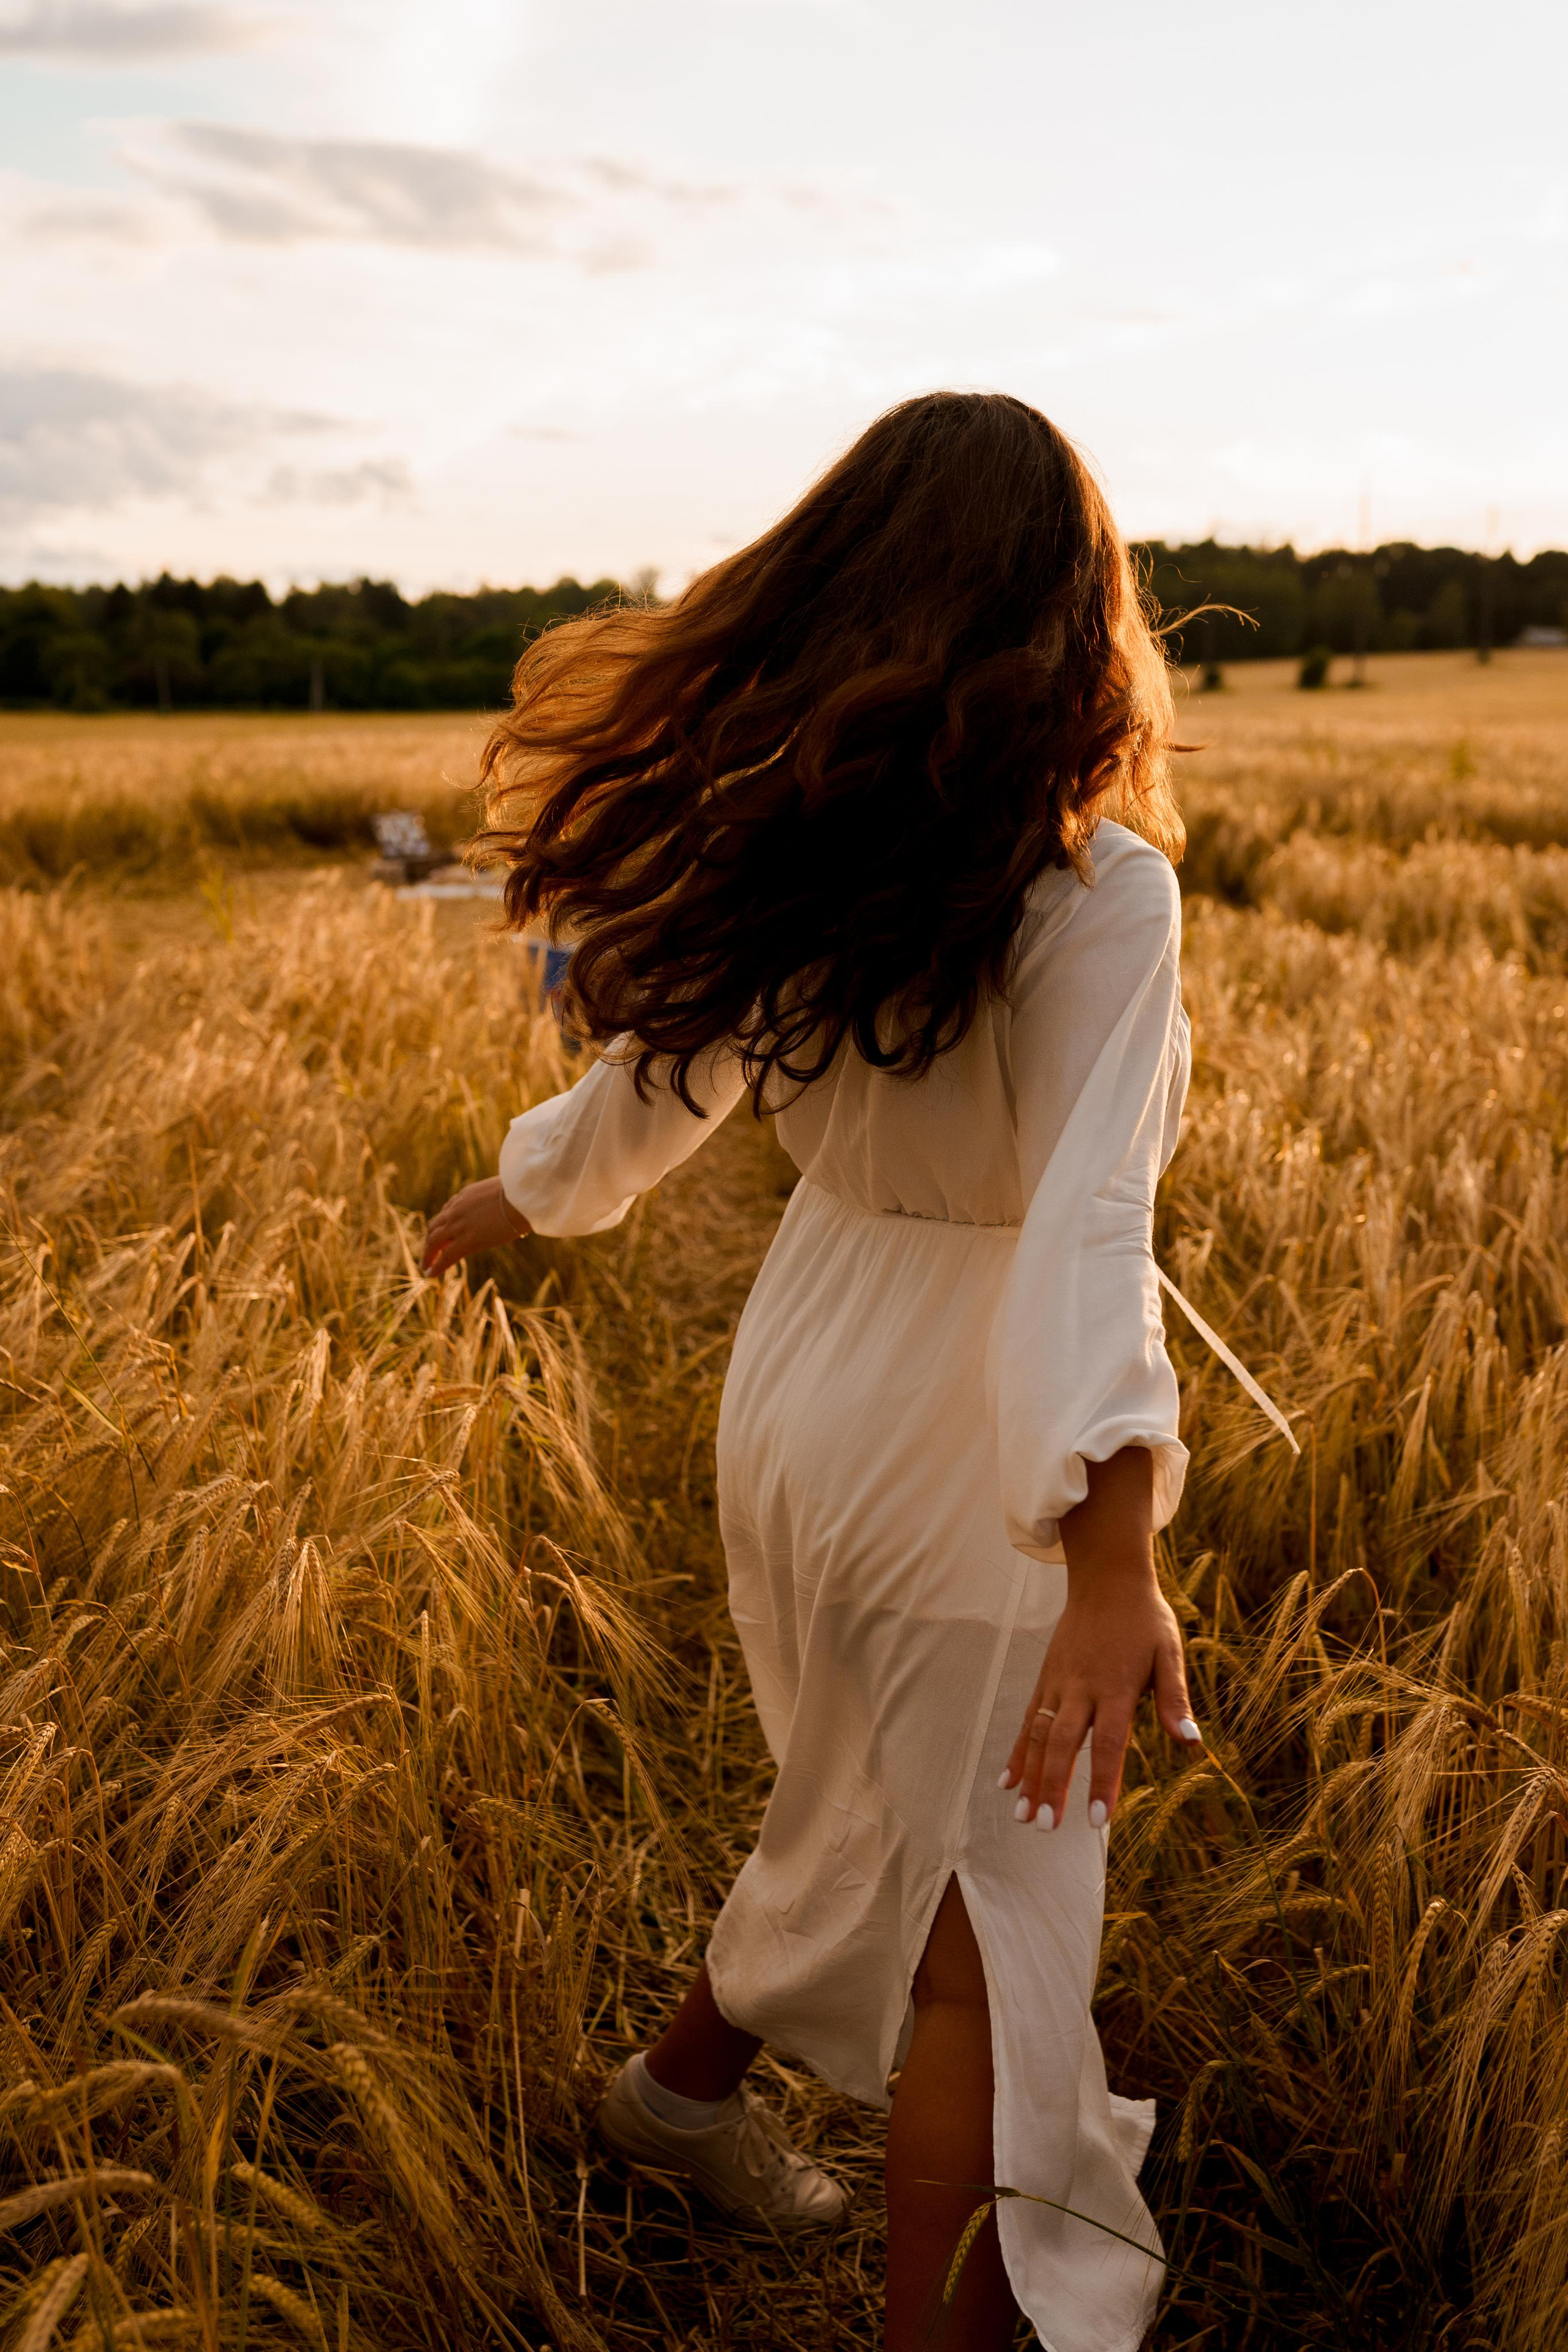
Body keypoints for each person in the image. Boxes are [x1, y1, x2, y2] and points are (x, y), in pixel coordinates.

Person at [421, 391, 1202, 2352]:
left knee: (867, 1789)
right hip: (969, 1417)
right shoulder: (1101, 892)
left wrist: (514, 1197)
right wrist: (1114, 1552)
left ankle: (675, 2098)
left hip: (801, 1386)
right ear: (1075, 607)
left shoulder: (814, 842)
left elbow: (650, 1086)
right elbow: (1093, 1219)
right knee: (984, 1937)